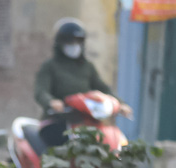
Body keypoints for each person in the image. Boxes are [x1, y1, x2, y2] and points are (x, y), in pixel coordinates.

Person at [31, 19, 129, 148]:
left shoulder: (87, 67)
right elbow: (41, 91)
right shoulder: (50, 66)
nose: (74, 45)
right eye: (70, 41)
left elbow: (103, 88)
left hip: (86, 121)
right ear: (60, 42)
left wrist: (120, 104)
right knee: (59, 146)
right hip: (58, 121)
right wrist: (52, 102)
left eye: (78, 41)